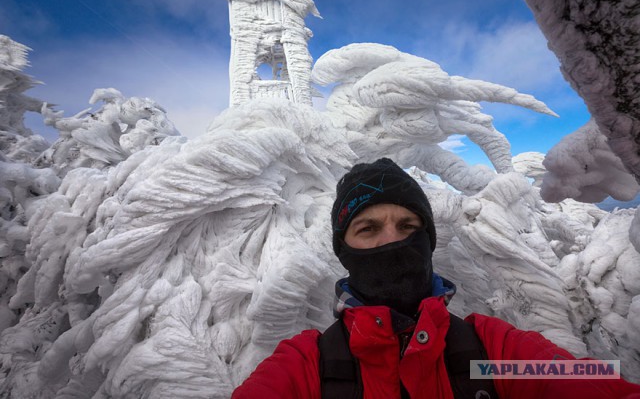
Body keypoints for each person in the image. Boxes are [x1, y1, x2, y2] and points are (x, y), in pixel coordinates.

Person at [232, 158, 640, 398]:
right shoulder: (308, 366)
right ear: (345, 250)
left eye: (408, 225)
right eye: (368, 229)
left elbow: (589, 382)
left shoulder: (491, 354)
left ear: (428, 239)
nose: (392, 242)